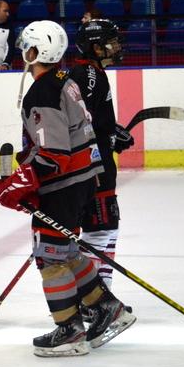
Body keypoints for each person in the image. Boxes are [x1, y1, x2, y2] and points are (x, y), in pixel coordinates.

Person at [0, 20, 135, 357]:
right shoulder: (65, 81)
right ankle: (105, 307)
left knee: (50, 258)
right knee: (67, 252)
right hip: (83, 180)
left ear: (34, 51)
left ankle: (68, 329)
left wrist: (16, 184)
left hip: (63, 186)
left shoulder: (42, 91)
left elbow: (54, 154)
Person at [70, 19, 134, 288]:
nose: (117, 46)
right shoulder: (87, 75)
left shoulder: (93, 73)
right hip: (93, 168)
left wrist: (111, 133)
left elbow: (92, 119)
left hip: (101, 165)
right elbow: (78, 122)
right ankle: (91, 297)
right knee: (98, 232)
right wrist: (104, 137)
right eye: (111, 41)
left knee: (109, 228)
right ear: (95, 48)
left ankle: (102, 293)